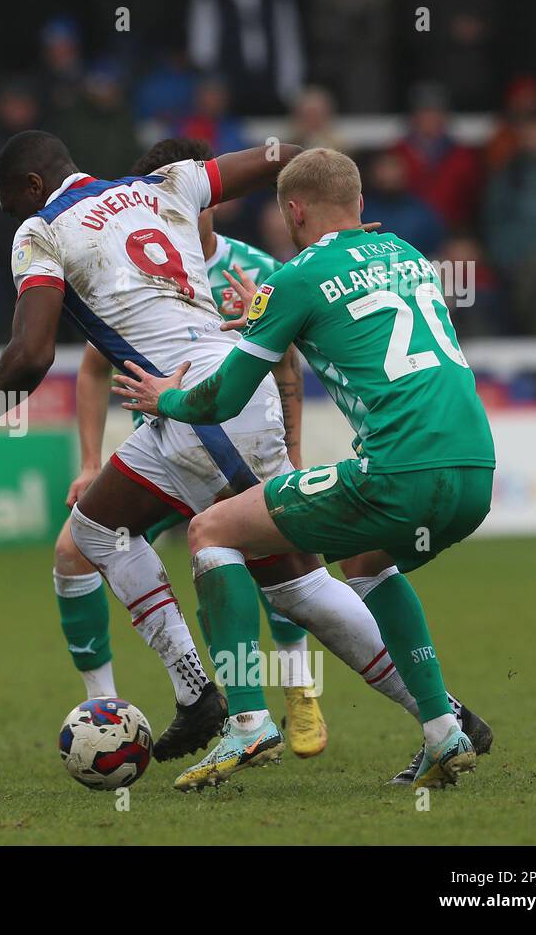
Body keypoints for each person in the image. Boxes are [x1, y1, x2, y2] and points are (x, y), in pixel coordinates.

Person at [114, 148, 496, 790]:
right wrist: (266, 319)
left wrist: (164, 399)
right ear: (360, 203)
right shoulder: (408, 255)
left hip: (397, 473)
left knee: (212, 533)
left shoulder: (296, 276)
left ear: (293, 210)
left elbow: (221, 399)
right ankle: (441, 731)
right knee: (369, 561)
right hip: (476, 471)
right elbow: (360, 324)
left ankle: (246, 721)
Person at [51, 137, 330, 760]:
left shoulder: (251, 270)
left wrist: (296, 449)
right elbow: (94, 367)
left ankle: (296, 690)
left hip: (237, 435)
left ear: (210, 198)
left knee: (273, 562)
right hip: (168, 440)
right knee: (77, 545)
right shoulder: (126, 267)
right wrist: (91, 461)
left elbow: (288, 368)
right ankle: (111, 706)